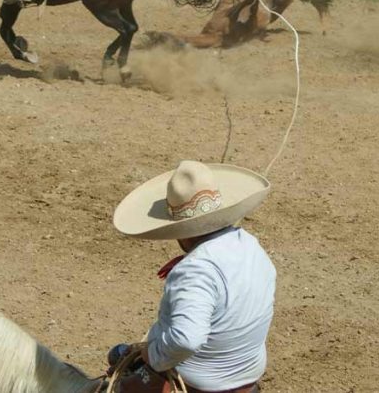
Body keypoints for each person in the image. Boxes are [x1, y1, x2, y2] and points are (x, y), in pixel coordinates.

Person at [110, 160, 277, 393]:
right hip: (246, 374)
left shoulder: (194, 270)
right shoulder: (252, 247)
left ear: (180, 231)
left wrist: (150, 354)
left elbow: (186, 339)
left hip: (199, 382)